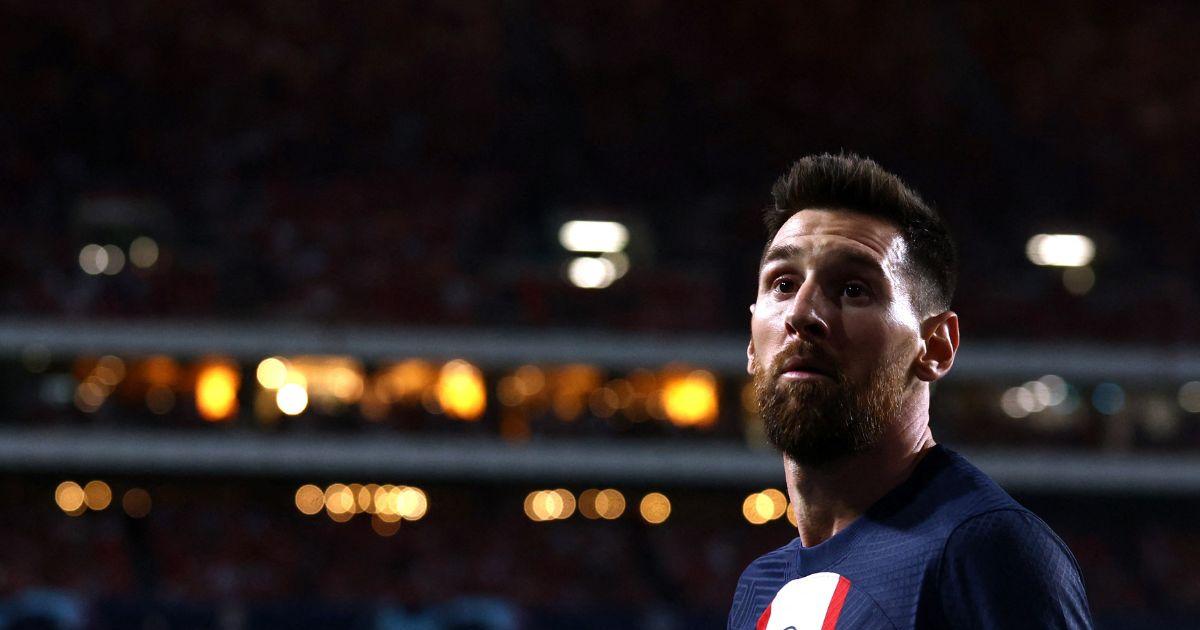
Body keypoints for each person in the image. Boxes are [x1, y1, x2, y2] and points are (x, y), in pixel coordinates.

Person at [728, 154, 1093, 629]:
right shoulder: (759, 588)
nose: (801, 313)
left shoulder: (982, 551)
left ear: (936, 346)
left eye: (853, 289)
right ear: (751, 343)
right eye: (783, 284)